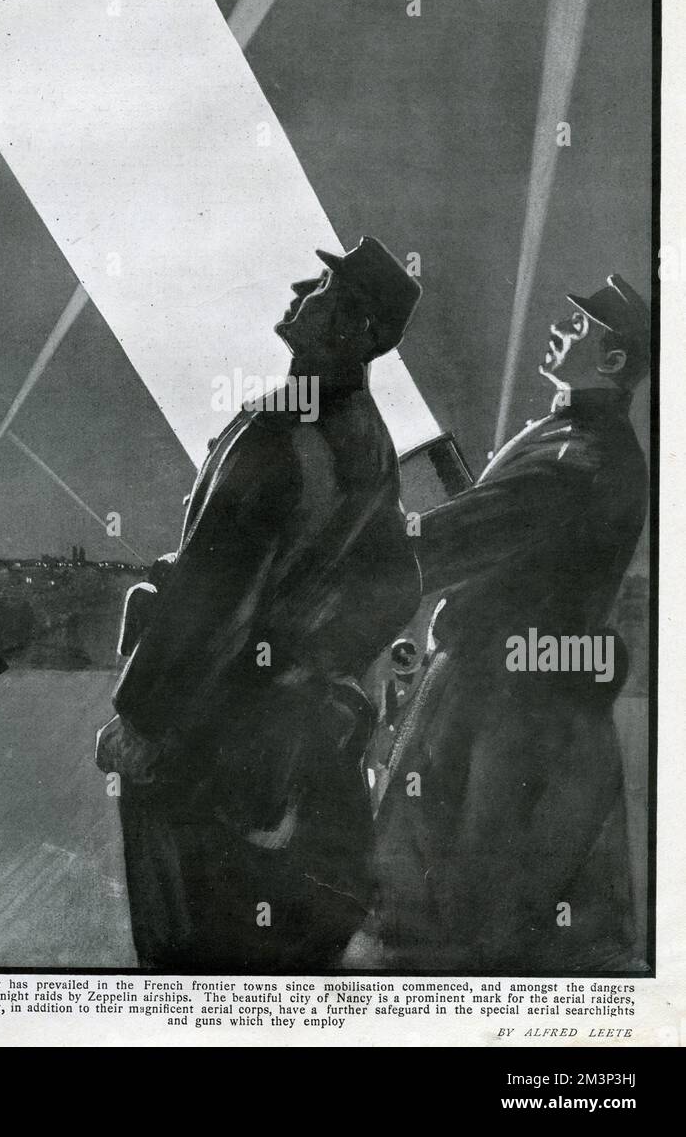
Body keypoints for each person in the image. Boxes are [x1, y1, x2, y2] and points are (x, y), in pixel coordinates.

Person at [96, 236, 424, 969]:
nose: (301, 288)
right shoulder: (366, 435)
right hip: (285, 736)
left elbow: (215, 597)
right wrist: (317, 663)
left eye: (324, 286)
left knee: (183, 948)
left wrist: (142, 721)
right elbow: (396, 578)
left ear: (356, 328)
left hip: (205, 734)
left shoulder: (281, 429)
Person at [352, 273, 650, 973]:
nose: (558, 329)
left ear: (611, 362)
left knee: (454, 905)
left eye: (577, 329)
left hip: (502, 705)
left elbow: (468, 536)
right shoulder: (571, 436)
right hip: (524, 690)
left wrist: (378, 529)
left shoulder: (579, 453)